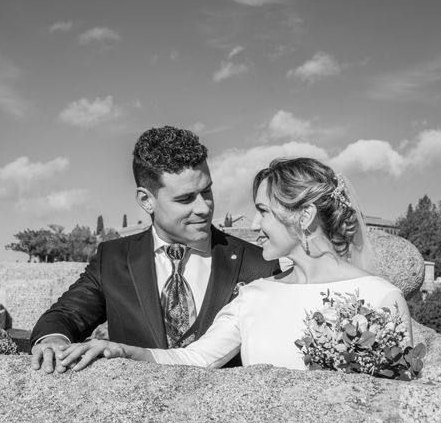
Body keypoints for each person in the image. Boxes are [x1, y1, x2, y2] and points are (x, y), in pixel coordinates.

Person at [58, 157, 414, 371]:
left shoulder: (380, 298)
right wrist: (120, 350)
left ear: (304, 216)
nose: (255, 225)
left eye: (263, 212)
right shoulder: (254, 296)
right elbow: (194, 359)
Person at [30, 126, 279, 373]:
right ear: (146, 200)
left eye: (207, 191)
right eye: (185, 199)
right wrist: (54, 341)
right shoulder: (113, 259)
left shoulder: (259, 263)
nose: (204, 208)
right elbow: (65, 315)